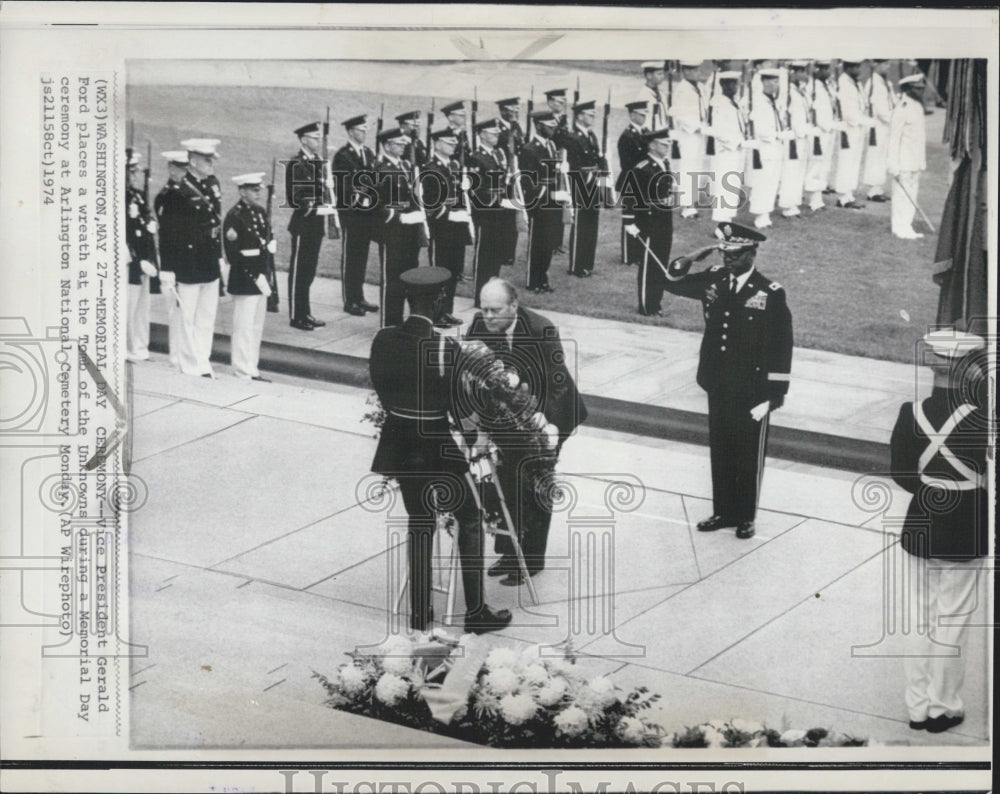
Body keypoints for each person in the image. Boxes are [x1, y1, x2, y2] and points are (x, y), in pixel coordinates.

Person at [369, 266, 512, 634]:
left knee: (419, 523)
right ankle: (476, 611)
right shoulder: (445, 348)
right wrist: (474, 438)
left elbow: (381, 388)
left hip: (399, 439)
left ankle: (420, 614)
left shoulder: (383, 338)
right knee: (469, 517)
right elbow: (459, 406)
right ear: (436, 302)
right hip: (435, 443)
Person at [663, 222, 793, 540]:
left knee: (748, 452)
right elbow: (669, 282)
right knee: (721, 449)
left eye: (734, 255)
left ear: (752, 253)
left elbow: (781, 347)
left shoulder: (769, 292)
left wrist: (774, 394)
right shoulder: (715, 279)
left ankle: (745, 516)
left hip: (752, 389)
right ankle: (723, 510)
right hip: (718, 382)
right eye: (724, 254)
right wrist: (693, 257)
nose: (728, 261)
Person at [889, 328, 988, 734]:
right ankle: (943, 707)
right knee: (954, 619)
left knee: (921, 616)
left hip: (922, 518)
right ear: (968, 368)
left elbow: (902, 475)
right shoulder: (985, 415)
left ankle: (917, 706)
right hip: (966, 521)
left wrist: (931, 489)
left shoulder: (910, 411)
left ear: (933, 365)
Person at [465, 277, 588, 585]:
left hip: (550, 415)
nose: (488, 317)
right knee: (506, 479)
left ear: (514, 306)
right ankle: (509, 551)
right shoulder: (479, 328)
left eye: (495, 310)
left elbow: (556, 384)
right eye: (484, 309)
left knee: (535, 483)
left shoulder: (541, 330)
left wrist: (546, 430)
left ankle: (532, 559)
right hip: (507, 414)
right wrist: (482, 432)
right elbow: (477, 383)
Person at [158, 138, 224, 378]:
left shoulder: (211, 186)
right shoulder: (179, 192)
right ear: (193, 161)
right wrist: (167, 270)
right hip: (188, 262)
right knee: (187, 317)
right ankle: (189, 363)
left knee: (206, 317)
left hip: (207, 260)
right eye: (207, 160)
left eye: (212, 160)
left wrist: (219, 257)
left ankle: (202, 360)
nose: (211, 164)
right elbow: (169, 234)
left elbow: (215, 225)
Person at [223, 172, 275, 382]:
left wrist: (270, 246)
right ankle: (242, 369)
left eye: (259, 190)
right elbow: (234, 253)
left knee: (255, 327)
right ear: (242, 191)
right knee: (243, 327)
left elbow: (264, 239)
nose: (258, 193)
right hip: (246, 279)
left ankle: (252, 367)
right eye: (254, 190)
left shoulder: (260, 212)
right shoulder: (235, 216)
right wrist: (255, 275)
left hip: (260, 278)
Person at [285, 121, 332, 330]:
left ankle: (306, 311)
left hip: (316, 225)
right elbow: (295, 198)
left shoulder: (318, 162)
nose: (318, 140)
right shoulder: (297, 163)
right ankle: (297, 315)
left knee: (309, 270)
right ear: (304, 139)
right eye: (315, 137)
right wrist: (316, 208)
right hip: (303, 224)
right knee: (299, 272)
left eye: (319, 137)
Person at [332, 114, 379, 317]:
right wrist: (362, 196)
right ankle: (349, 300)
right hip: (351, 213)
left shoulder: (368, 153)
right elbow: (343, 186)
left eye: (366, 129)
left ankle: (359, 297)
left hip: (366, 214)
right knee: (351, 257)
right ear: (351, 131)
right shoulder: (343, 156)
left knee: (361, 256)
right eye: (361, 130)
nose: (364, 133)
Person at [624, 128, 675, 317]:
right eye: (664, 144)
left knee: (661, 261)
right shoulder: (642, 167)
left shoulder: (665, 163)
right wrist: (629, 221)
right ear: (652, 145)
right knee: (649, 264)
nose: (668, 147)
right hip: (648, 220)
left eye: (669, 144)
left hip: (664, 219)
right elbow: (630, 196)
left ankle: (656, 303)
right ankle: (646, 305)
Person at [554, 100, 607, 278]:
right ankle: (577, 264)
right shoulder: (572, 137)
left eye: (593, 114)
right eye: (589, 114)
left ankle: (587, 263)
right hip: (579, 182)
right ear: (580, 116)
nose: (592, 117)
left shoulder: (590, 135)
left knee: (592, 222)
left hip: (592, 182)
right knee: (581, 223)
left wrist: (603, 169)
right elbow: (571, 164)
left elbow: (597, 157)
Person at [468, 118, 517, 307]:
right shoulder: (476, 157)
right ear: (482, 134)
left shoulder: (497, 154)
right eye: (492, 133)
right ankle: (480, 296)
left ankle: (493, 294)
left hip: (499, 212)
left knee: (496, 254)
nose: (497, 136)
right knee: (484, 256)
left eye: (497, 133)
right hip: (485, 213)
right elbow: (475, 190)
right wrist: (496, 198)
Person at [421, 128, 468, 327]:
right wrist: (450, 213)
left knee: (453, 270)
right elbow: (430, 202)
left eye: (454, 143)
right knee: (440, 269)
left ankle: (446, 310)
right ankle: (435, 313)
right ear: (437, 143)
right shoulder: (431, 167)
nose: (453, 145)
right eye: (449, 143)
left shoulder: (454, 165)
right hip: (440, 226)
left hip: (456, 226)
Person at [520, 111, 566, 293]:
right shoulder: (529, 149)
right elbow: (528, 180)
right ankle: (533, 279)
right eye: (549, 125)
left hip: (552, 202)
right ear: (539, 126)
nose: (553, 128)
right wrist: (546, 193)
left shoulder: (551, 146)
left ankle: (543, 277)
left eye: (554, 125)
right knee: (537, 243)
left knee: (548, 243)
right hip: (538, 203)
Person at [154, 150, 190, 369]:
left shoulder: (185, 193)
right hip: (172, 262)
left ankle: (182, 355)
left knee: (185, 312)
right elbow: (170, 232)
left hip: (184, 262)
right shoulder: (167, 196)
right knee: (175, 312)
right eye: (180, 169)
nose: (184, 173)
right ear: (171, 169)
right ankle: (176, 357)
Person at [124, 149, 159, 363]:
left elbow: (145, 224)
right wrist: (135, 258)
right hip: (129, 261)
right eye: (132, 171)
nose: (135, 175)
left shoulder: (136, 195)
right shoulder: (114, 196)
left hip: (143, 260)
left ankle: (139, 347)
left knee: (141, 308)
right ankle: (124, 348)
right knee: (127, 307)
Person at [746, 69, 789, 229]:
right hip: (765, 147)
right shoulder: (758, 102)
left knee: (771, 182)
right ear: (764, 82)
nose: (776, 85)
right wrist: (779, 135)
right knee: (763, 182)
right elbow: (762, 130)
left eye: (777, 81)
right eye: (772, 81)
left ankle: (766, 214)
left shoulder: (772, 101)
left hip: (774, 147)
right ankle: (760, 216)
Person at [887, 73, 928, 240]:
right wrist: (893, 164)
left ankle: (907, 224)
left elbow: (919, 137)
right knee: (901, 194)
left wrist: (921, 160)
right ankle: (899, 226)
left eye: (922, 88)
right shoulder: (902, 107)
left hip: (915, 160)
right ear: (908, 89)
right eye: (918, 89)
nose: (921, 92)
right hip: (903, 160)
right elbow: (894, 137)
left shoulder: (917, 106)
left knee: (912, 193)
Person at [705, 71, 747, 223]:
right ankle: (721, 221)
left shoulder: (733, 102)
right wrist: (738, 142)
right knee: (725, 185)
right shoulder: (720, 104)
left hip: (736, 150)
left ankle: (727, 218)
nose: (732, 87)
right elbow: (719, 132)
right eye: (728, 84)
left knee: (733, 184)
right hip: (726, 150)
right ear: (722, 85)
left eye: (734, 83)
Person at [671, 60, 709, 219]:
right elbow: (680, 116)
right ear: (685, 72)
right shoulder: (681, 89)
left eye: (698, 69)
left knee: (697, 166)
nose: (697, 73)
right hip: (688, 134)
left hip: (700, 133)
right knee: (688, 168)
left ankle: (692, 200)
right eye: (693, 70)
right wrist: (698, 126)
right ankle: (687, 204)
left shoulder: (700, 87)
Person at [833, 59, 872, 209]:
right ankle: (843, 197)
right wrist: (866, 121)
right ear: (848, 68)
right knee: (847, 162)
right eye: (855, 67)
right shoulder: (844, 84)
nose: (859, 69)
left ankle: (849, 194)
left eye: (859, 66)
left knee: (854, 162)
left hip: (857, 128)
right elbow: (849, 114)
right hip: (849, 128)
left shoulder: (854, 82)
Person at [617, 100, 650, 266]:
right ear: (632, 115)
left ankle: (639, 252)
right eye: (640, 114)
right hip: (631, 180)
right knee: (629, 217)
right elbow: (627, 163)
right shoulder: (627, 136)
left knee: (642, 216)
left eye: (645, 114)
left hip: (643, 181)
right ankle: (628, 255)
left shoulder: (646, 132)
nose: (644, 117)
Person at [776, 62, 811, 219]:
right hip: (794, 137)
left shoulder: (799, 91)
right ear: (794, 73)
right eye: (801, 71)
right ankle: (788, 205)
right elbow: (786, 113)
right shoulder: (788, 92)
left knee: (798, 171)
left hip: (802, 136)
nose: (804, 74)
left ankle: (794, 203)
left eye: (804, 71)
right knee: (791, 171)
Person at [802, 60, 837, 212]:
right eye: (824, 69)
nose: (828, 72)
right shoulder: (812, 87)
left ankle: (818, 197)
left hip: (828, 131)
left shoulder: (826, 86)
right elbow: (814, 111)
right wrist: (825, 126)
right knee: (815, 166)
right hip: (819, 131)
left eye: (828, 68)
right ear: (817, 70)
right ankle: (814, 200)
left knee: (824, 165)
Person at [861, 59, 896, 202]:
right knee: (876, 157)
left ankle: (878, 187)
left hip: (885, 125)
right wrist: (894, 120)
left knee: (882, 157)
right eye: (885, 64)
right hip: (878, 125)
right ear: (877, 65)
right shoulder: (875, 84)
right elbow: (881, 111)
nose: (888, 67)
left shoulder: (884, 83)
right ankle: (873, 190)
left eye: (888, 64)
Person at [496, 97, 525, 268]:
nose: (515, 111)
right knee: (502, 216)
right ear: (502, 111)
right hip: (502, 178)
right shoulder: (497, 129)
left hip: (515, 175)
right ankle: (500, 252)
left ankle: (509, 254)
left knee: (513, 214)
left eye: (517, 108)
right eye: (511, 109)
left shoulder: (516, 127)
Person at [635, 62, 669, 131]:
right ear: (649, 76)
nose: (662, 76)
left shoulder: (662, 94)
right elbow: (639, 122)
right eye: (659, 74)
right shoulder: (643, 96)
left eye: (663, 73)